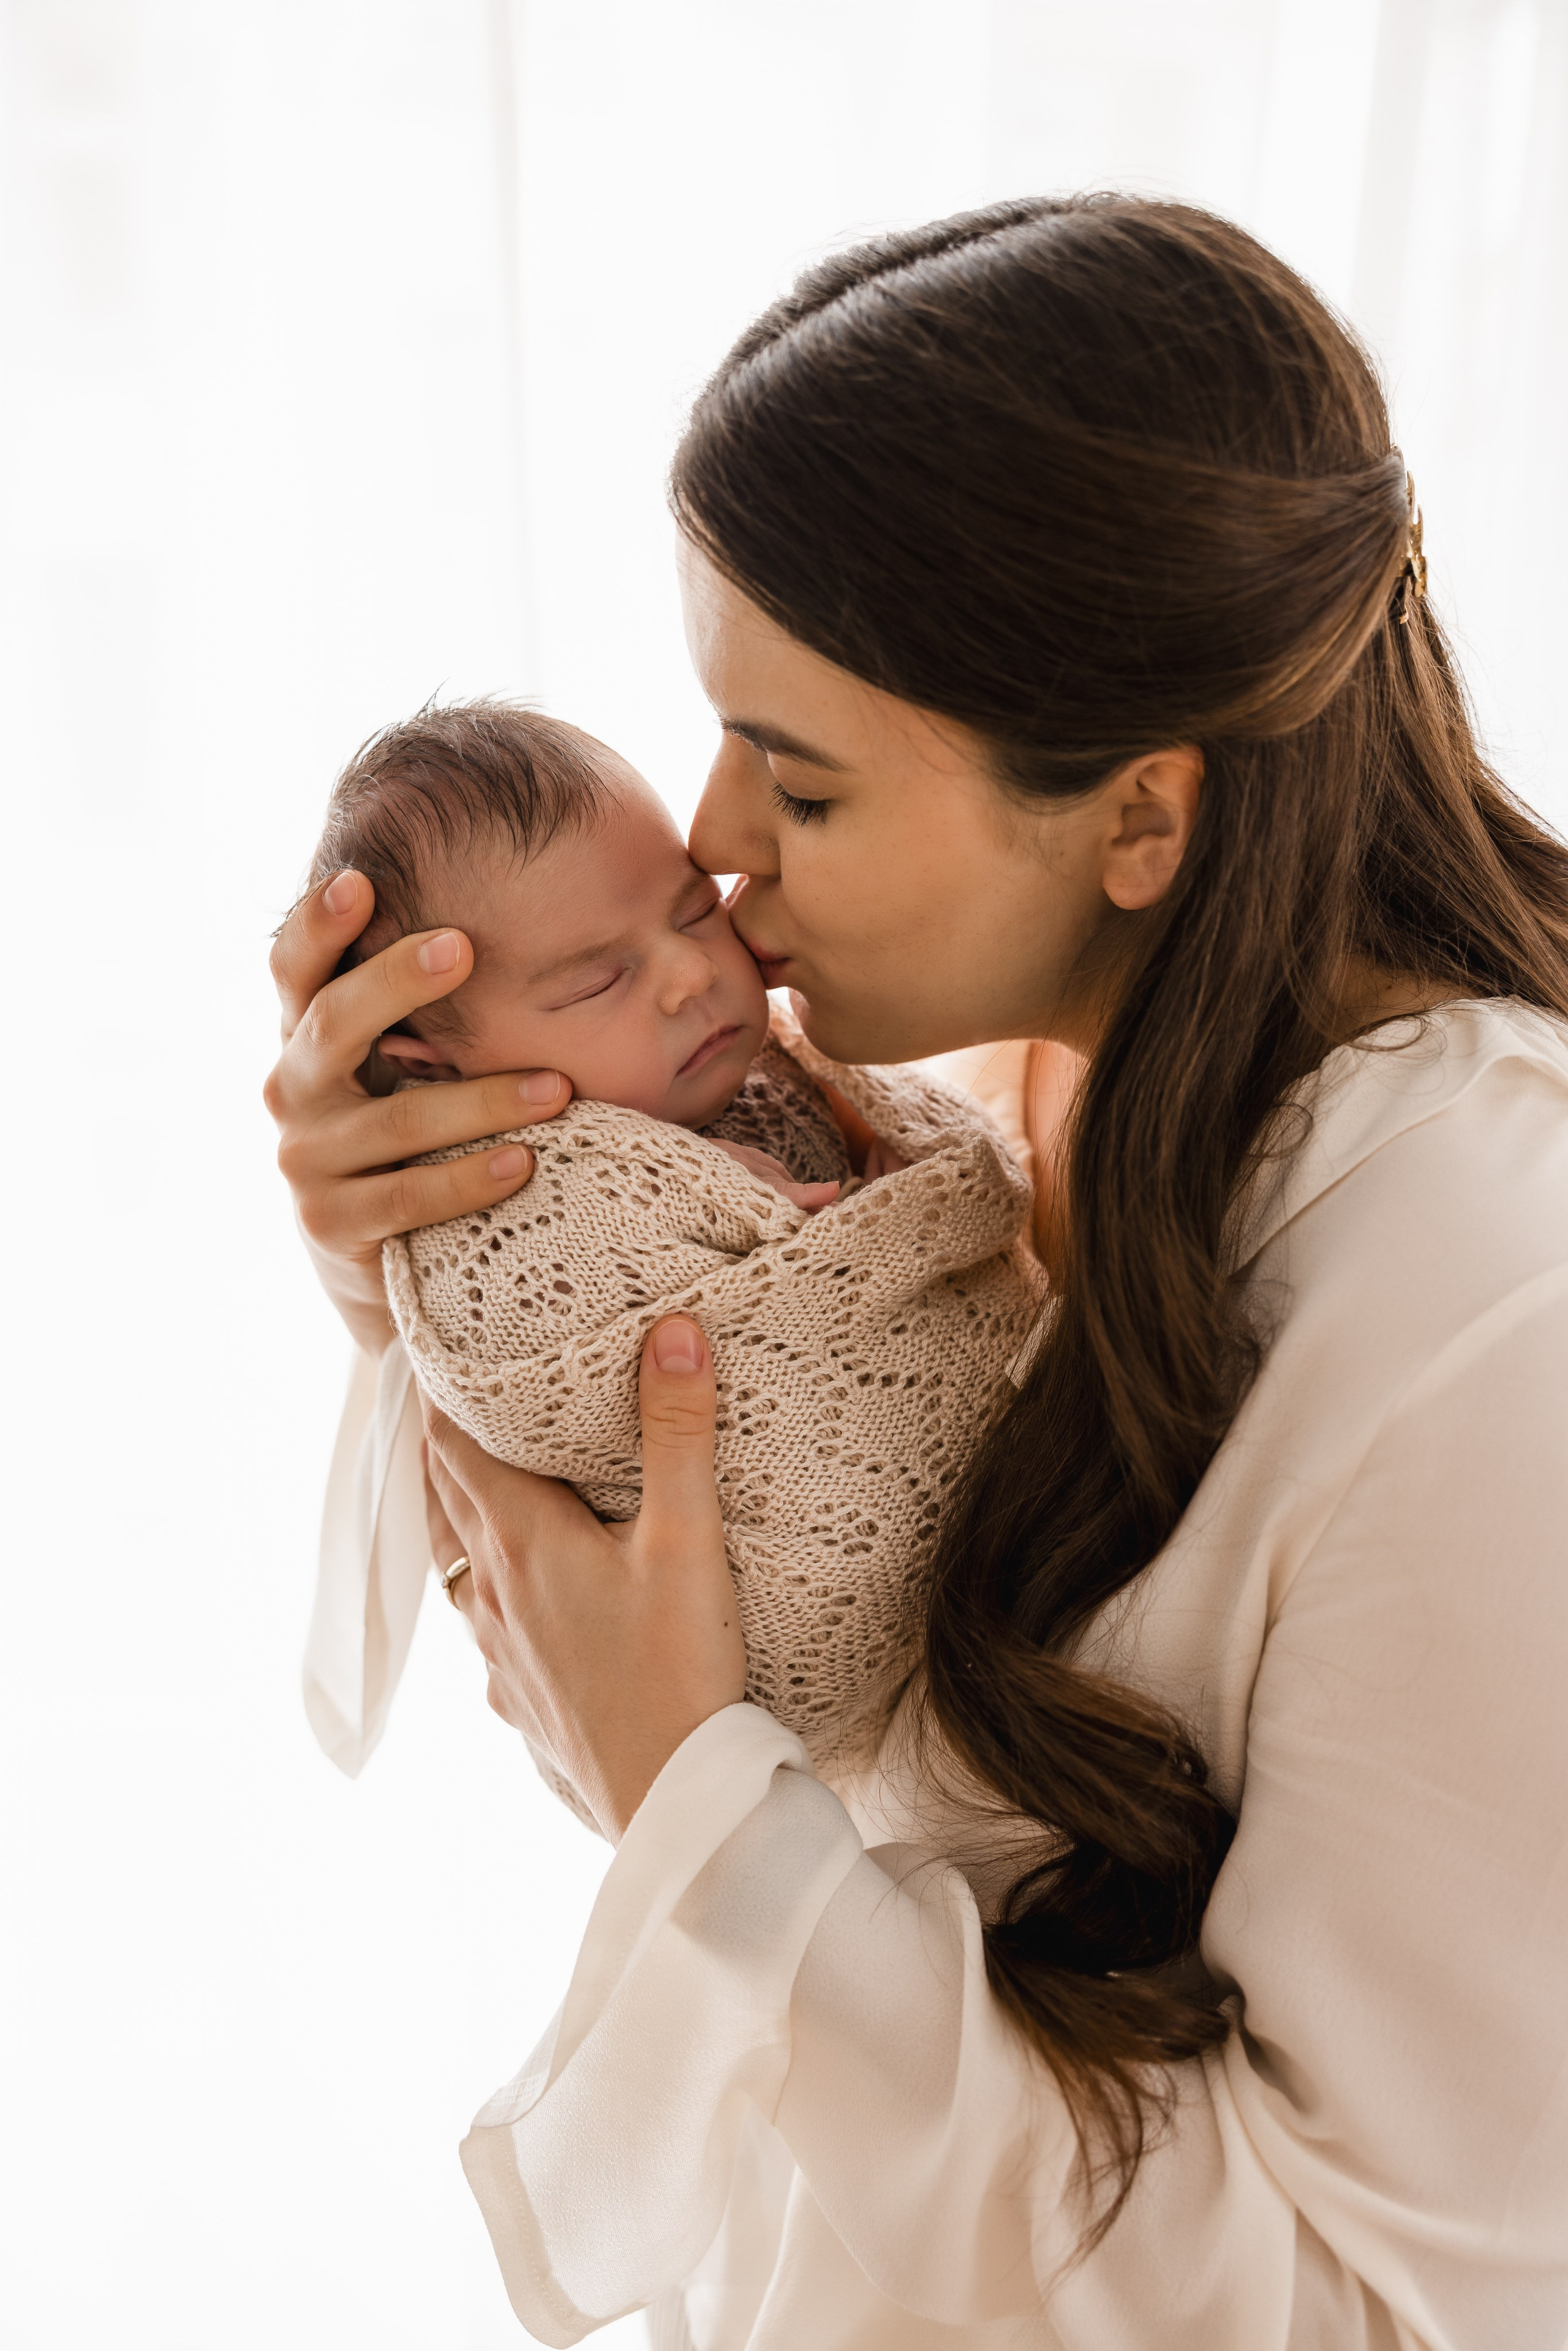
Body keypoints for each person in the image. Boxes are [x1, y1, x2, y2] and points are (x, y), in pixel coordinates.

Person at [265, 195, 1568, 2348]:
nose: (711, 843)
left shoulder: (1489, 1310)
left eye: (801, 776)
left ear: (1141, 815)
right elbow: (760, 1536)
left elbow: (1368, 2307)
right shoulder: (996, 1081)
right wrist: (415, 1229)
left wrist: (709, 1812)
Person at [294, 698, 1031, 1787]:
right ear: (437, 1069)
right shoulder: (533, 1193)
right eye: (600, 979)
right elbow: (524, 1360)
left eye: (694, 913)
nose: (690, 974)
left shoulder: (777, 1066)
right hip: (754, 1656)